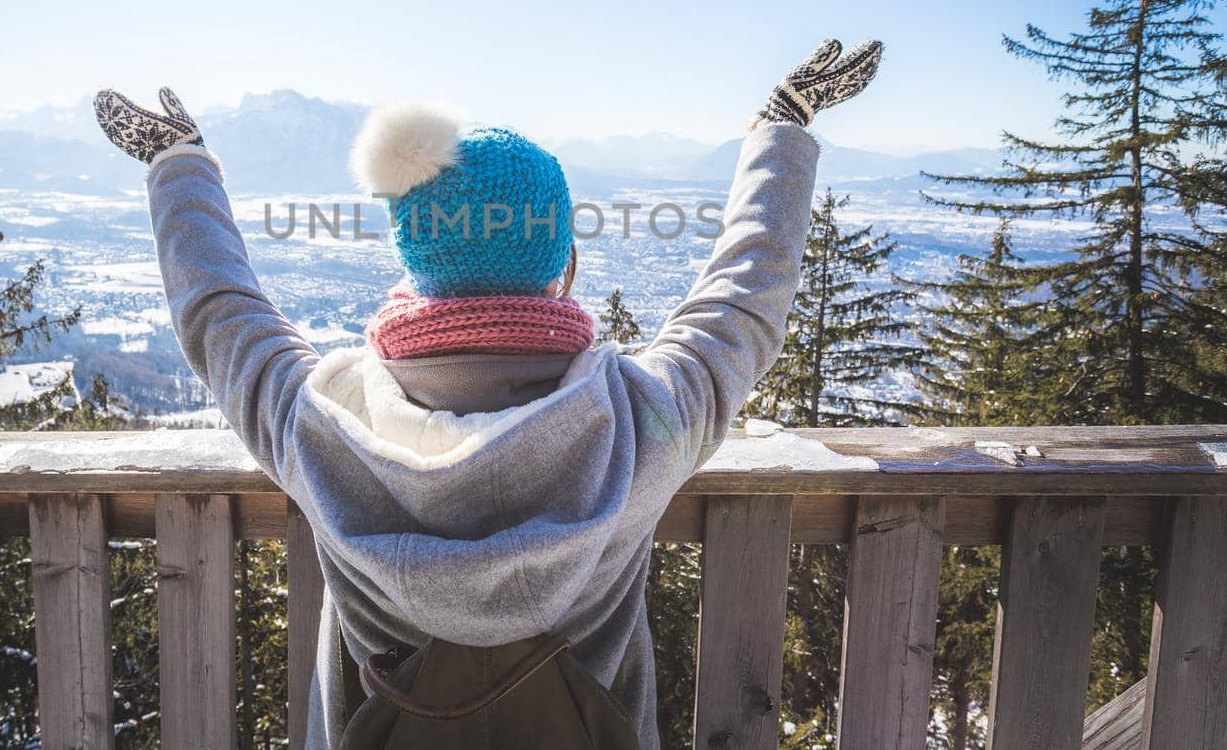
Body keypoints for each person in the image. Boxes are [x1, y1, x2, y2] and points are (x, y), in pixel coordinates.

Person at [95, 39, 882, 748]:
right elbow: (741, 305)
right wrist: (784, 127)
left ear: (417, 268)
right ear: (562, 266)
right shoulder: (639, 421)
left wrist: (180, 165)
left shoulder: (326, 419)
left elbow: (221, 315)